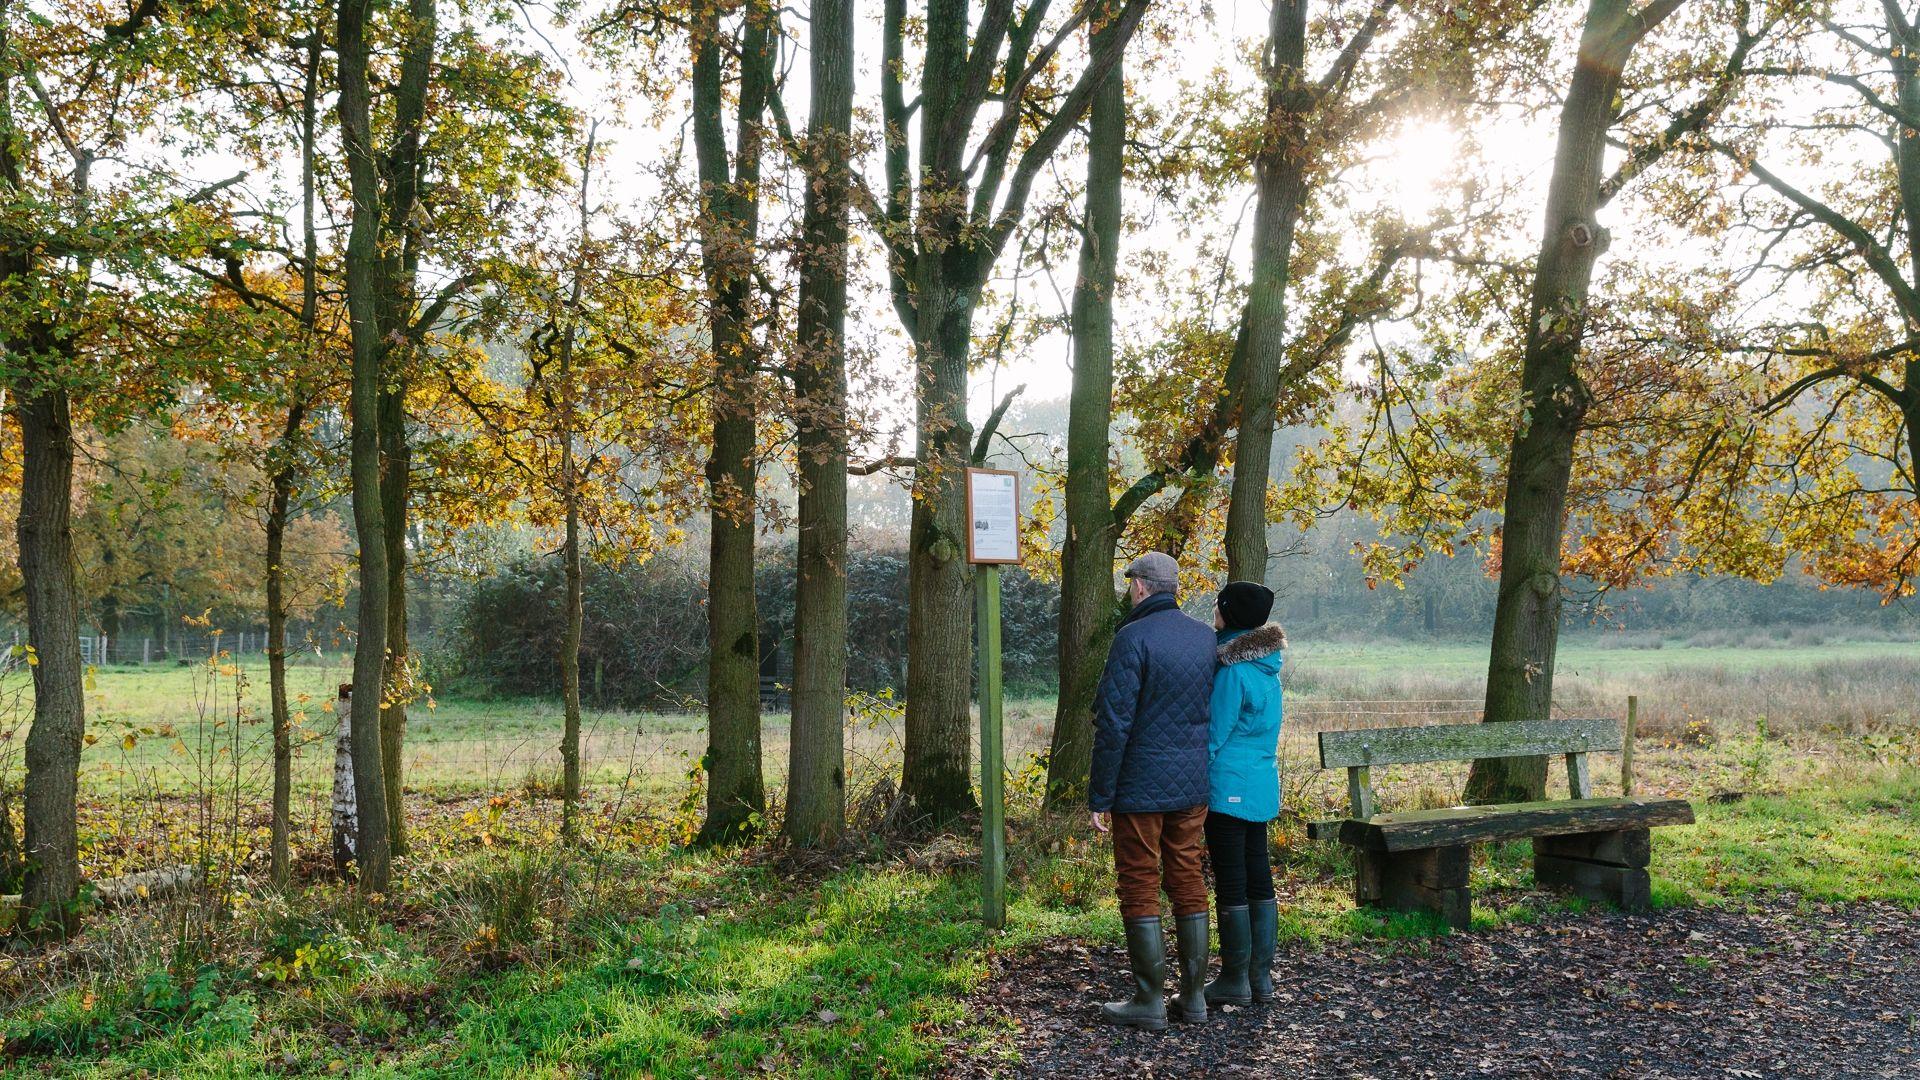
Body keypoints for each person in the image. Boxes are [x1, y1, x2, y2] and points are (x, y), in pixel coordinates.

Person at [1088, 551, 1217, 1029]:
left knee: (1140, 880)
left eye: (1130, 584)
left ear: (1140, 586)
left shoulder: (1132, 638)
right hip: (1191, 784)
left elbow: (1115, 723)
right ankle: (1195, 998)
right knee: (1187, 877)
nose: (1129, 591)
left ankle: (1148, 1000)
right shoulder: (1206, 637)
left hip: (1139, 787)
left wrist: (1101, 795)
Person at [1201, 580, 1285, 1007]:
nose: (1213, 611)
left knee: (1231, 879)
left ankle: (1235, 978)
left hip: (1228, 787)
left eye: (1218, 605)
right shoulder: (1270, 665)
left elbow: (1215, 733)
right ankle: (1261, 978)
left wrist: (1193, 776)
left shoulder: (1233, 671)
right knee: (1258, 874)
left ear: (1229, 614)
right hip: (1260, 784)